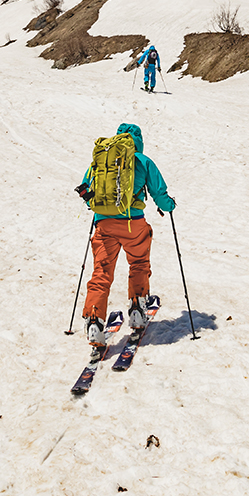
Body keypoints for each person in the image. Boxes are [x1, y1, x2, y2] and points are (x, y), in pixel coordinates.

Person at [76, 123, 175, 347]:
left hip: (104, 225)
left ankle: (94, 321)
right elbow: (160, 195)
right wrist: (169, 206)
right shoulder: (142, 161)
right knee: (139, 263)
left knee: (101, 272)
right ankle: (138, 309)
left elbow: (85, 188)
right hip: (133, 224)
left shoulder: (103, 159)